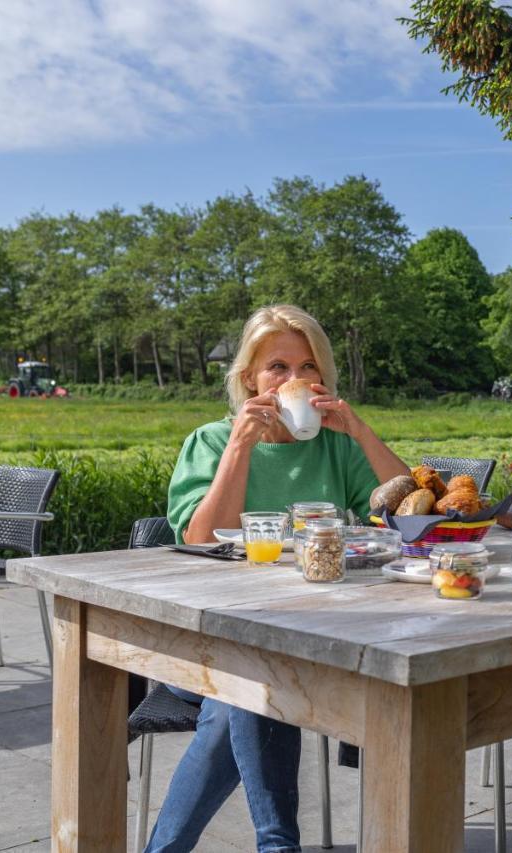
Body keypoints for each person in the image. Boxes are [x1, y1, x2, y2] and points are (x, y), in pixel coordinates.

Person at [146, 304, 409, 853]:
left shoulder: (336, 444)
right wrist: (241, 443)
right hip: (210, 638)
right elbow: (199, 539)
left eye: (308, 367)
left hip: (319, 638)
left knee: (255, 682)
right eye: (278, 368)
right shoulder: (211, 441)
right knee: (247, 686)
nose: (296, 381)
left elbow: (407, 511)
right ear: (249, 380)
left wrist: (359, 430)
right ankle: (277, 845)